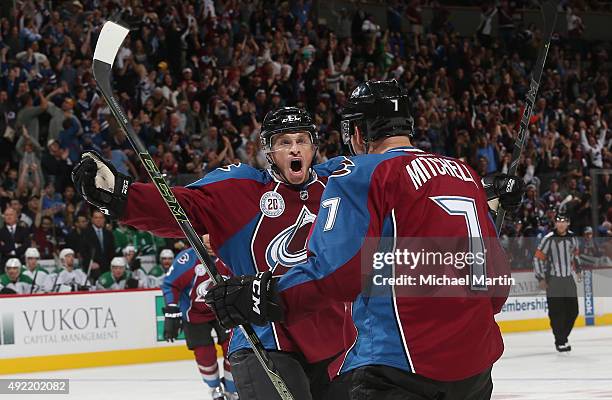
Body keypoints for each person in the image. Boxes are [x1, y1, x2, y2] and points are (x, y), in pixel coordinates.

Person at [204, 80, 522, 400]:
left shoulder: (362, 172)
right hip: (476, 369)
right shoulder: (463, 173)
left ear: (358, 132)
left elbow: (335, 274)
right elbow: (496, 287)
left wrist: (265, 296)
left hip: (399, 369)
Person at [72, 106, 349, 400]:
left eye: (301, 140)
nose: (294, 149)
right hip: (264, 341)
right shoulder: (240, 188)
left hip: (335, 342)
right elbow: (180, 207)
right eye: (284, 142)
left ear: (313, 146)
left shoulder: (339, 182)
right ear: (269, 150)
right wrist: (120, 194)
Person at [161, 235, 237, 399]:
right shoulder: (187, 259)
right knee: (205, 354)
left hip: (224, 310)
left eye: (212, 239)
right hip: (193, 314)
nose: (209, 244)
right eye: (205, 240)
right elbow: (169, 284)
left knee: (234, 349)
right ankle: (214, 388)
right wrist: (171, 307)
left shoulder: (230, 254)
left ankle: (232, 389)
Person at [534, 212, 581, 352]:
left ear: (568, 223)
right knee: (557, 312)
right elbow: (537, 258)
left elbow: (575, 256)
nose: (561, 224)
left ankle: (563, 337)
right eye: (558, 221)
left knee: (573, 311)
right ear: (555, 223)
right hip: (554, 281)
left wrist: (578, 270)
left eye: (563, 221)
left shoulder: (573, 238)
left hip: (568, 279)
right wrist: (541, 277)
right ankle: (560, 341)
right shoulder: (548, 239)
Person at [81, 210, 115, 281]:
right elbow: (83, 252)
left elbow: (112, 251)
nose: (98, 220)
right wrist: (90, 263)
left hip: (107, 266)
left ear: (104, 219)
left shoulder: (109, 234)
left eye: (101, 218)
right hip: (93, 267)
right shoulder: (85, 233)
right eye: (96, 218)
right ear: (92, 219)